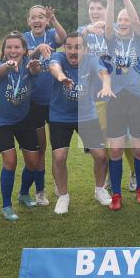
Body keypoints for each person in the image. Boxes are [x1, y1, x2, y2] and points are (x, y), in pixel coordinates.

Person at [47, 32, 115, 214]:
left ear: (85, 49)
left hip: (86, 115)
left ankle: (100, 189)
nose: (72, 50)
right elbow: (54, 67)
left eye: (77, 47)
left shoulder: (92, 60)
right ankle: (63, 196)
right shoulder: (58, 57)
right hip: (60, 116)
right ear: (64, 48)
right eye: (69, 46)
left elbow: (103, 72)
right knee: (59, 157)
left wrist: (106, 85)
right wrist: (61, 77)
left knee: (101, 156)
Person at [80, 0, 137, 190]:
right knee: (105, 138)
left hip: (119, 92)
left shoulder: (115, 30)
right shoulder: (83, 31)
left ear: (107, 11)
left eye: (99, 9)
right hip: (95, 94)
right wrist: (88, 30)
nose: (95, 12)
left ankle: (134, 172)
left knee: (126, 137)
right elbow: (72, 43)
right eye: (92, 9)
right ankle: (110, 178)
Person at [103, 0, 140, 210]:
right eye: (120, 19)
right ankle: (117, 194)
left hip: (139, 99)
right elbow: (109, 23)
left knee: (139, 149)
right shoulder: (111, 40)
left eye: (126, 19)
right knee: (115, 149)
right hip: (116, 98)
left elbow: (135, 18)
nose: (123, 22)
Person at [0, 32, 42, 221]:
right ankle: (6, 205)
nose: (13, 50)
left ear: (24, 50)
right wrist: (7, 65)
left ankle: (23, 193)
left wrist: (35, 67)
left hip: (24, 120)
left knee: (33, 162)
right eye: (9, 47)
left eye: (17, 47)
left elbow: (35, 70)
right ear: (4, 51)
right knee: (10, 161)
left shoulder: (29, 64)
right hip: (0, 121)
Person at [22, 5, 67, 206]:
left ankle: (60, 184)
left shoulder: (51, 33)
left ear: (46, 21)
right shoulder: (24, 38)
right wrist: (37, 50)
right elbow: (23, 58)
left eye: (41, 17)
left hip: (56, 101)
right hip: (35, 102)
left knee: (59, 147)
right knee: (40, 148)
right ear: (28, 21)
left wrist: (54, 19)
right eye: (34, 17)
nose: (38, 20)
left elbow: (64, 38)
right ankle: (40, 191)